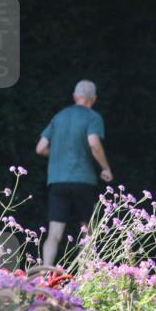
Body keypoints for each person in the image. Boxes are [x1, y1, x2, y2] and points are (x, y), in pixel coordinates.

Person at [35, 80, 113, 267]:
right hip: (83, 181)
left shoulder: (59, 117)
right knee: (87, 230)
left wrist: (57, 155)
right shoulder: (92, 117)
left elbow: (40, 148)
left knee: (53, 234)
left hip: (57, 181)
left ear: (75, 96)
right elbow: (93, 143)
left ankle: (44, 274)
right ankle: (85, 275)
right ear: (93, 99)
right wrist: (105, 167)